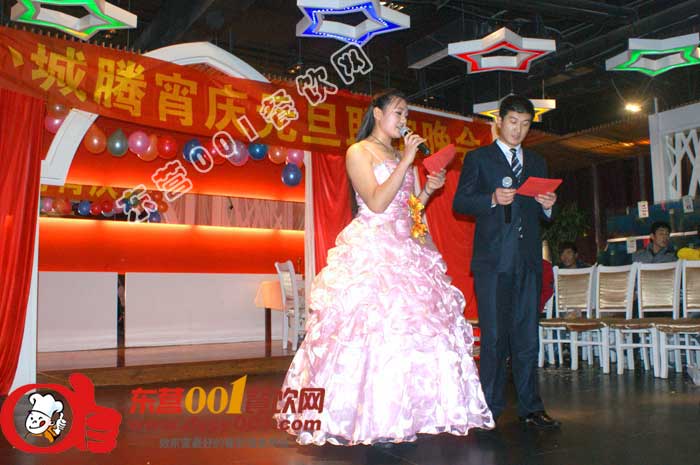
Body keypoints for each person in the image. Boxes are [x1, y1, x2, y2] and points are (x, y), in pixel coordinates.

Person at [274, 89, 494, 446]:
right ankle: (362, 417)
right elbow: (376, 203)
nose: (404, 120)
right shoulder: (358, 152)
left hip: (406, 247)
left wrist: (428, 191)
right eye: (398, 112)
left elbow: (408, 209)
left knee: (413, 334)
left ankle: (410, 413)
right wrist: (407, 161)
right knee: (370, 334)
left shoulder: (397, 154)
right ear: (377, 114)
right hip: (373, 250)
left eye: (406, 114)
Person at [452, 95, 560, 430]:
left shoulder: (537, 162)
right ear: (499, 122)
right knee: (495, 338)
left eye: (525, 124)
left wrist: (547, 205)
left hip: (527, 262)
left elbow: (541, 213)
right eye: (513, 122)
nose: (518, 130)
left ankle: (531, 407)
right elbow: (460, 202)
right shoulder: (479, 158)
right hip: (493, 262)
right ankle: (489, 407)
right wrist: (491, 198)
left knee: (528, 337)